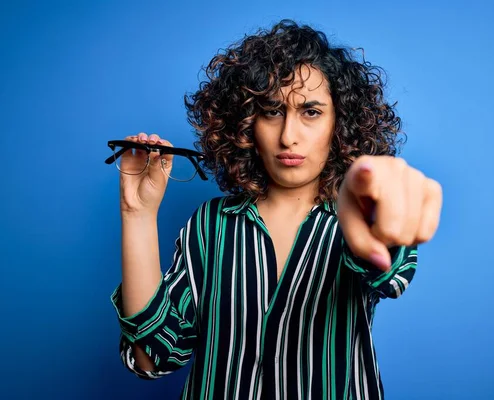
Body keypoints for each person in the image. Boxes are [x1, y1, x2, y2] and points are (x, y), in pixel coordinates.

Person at [110, 19, 442, 400]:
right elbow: (153, 359)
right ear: (247, 124)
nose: (288, 136)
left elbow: (392, 272)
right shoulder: (210, 224)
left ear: (340, 124)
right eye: (272, 111)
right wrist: (137, 213)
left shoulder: (362, 214)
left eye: (311, 112)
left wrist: (364, 203)